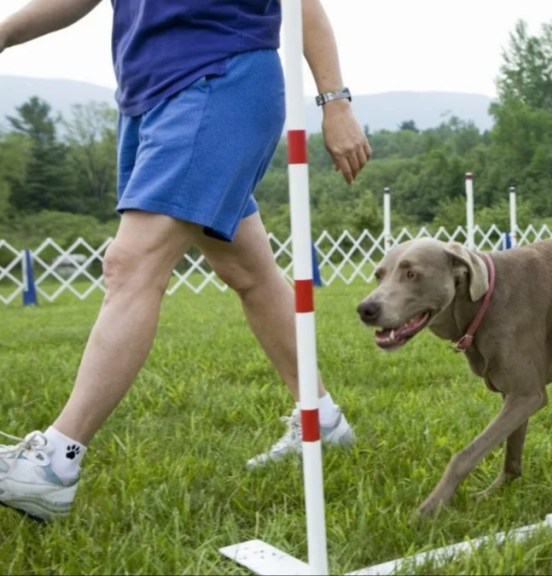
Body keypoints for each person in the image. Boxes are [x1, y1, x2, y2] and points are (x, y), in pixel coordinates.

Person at [0, 0, 371, 521]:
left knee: (131, 264)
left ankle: (54, 466)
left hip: (220, 80)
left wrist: (335, 101)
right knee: (247, 271)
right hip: (149, 97)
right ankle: (323, 419)